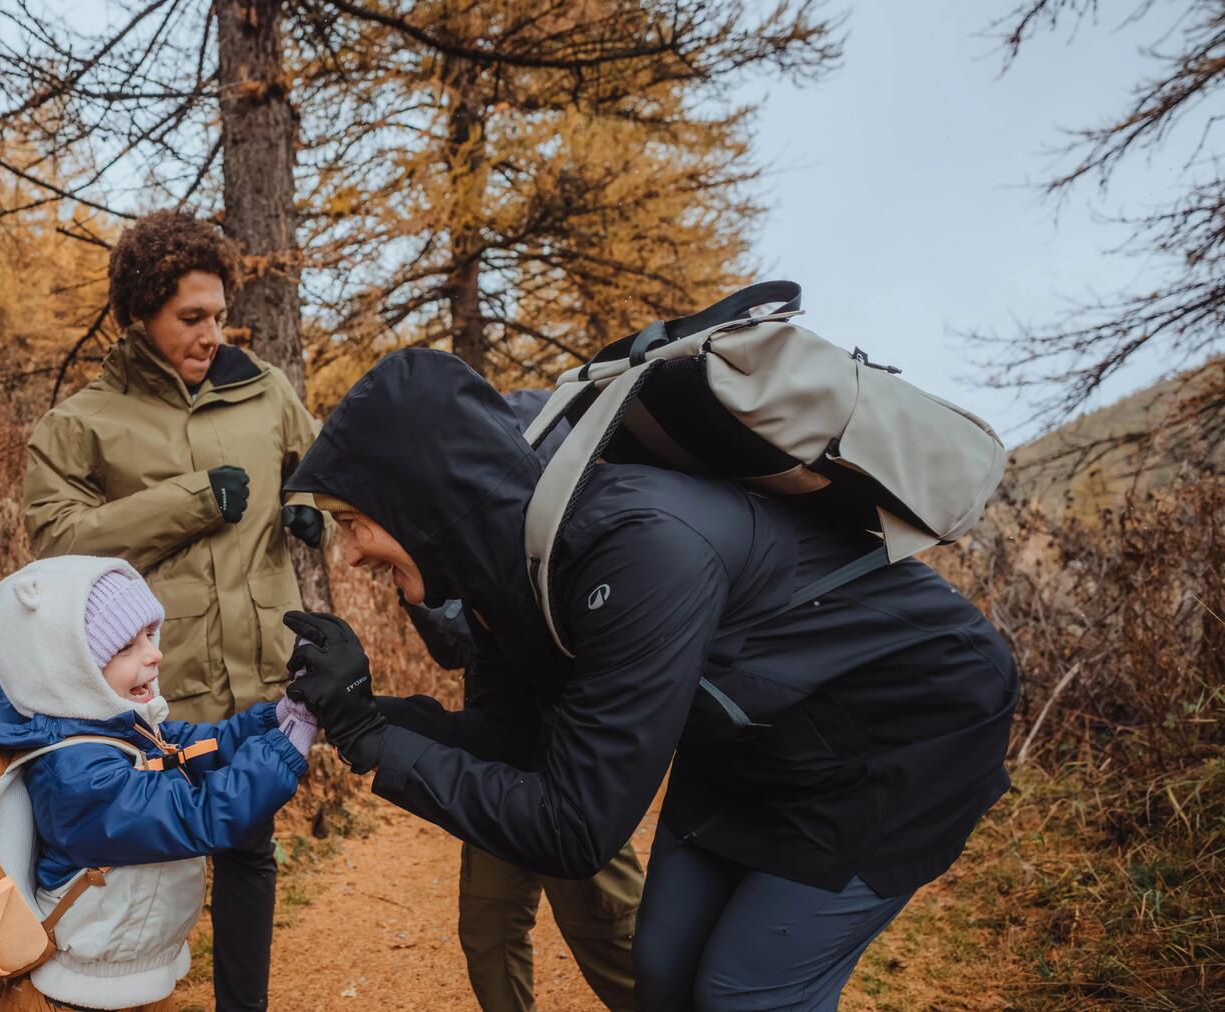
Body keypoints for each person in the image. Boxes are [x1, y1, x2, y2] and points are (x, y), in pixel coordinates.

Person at [281, 350, 1019, 1011]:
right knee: (662, 974)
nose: (348, 555)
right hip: (754, 738)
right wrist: (361, 712)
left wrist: (379, 743)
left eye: (355, 522)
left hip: (905, 736)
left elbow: (574, 830)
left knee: (744, 994)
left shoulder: (635, 549)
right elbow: (512, 742)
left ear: (418, 498)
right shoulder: (507, 570)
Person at [24, 210, 323, 1011]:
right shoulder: (82, 422)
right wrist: (191, 499)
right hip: (152, 688)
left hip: (258, 666)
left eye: (219, 315)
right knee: (140, 862)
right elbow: (55, 547)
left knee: (250, 850)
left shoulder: (265, 391)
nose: (212, 333)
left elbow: (325, 469)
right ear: (139, 315)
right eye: (191, 318)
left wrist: (310, 509)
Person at [0, 557, 314, 1012]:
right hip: (74, 1000)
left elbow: (203, 747)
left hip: (129, 987)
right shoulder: (77, 775)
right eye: (126, 647)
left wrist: (279, 717)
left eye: (148, 635)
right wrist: (287, 746)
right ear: (71, 672)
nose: (154, 653)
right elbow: (197, 816)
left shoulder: (120, 733)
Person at [397, 389, 642, 1012]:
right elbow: (458, 648)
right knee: (488, 932)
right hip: (500, 764)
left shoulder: (577, 525)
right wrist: (415, 576)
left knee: (609, 937)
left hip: (571, 773)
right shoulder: (460, 530)